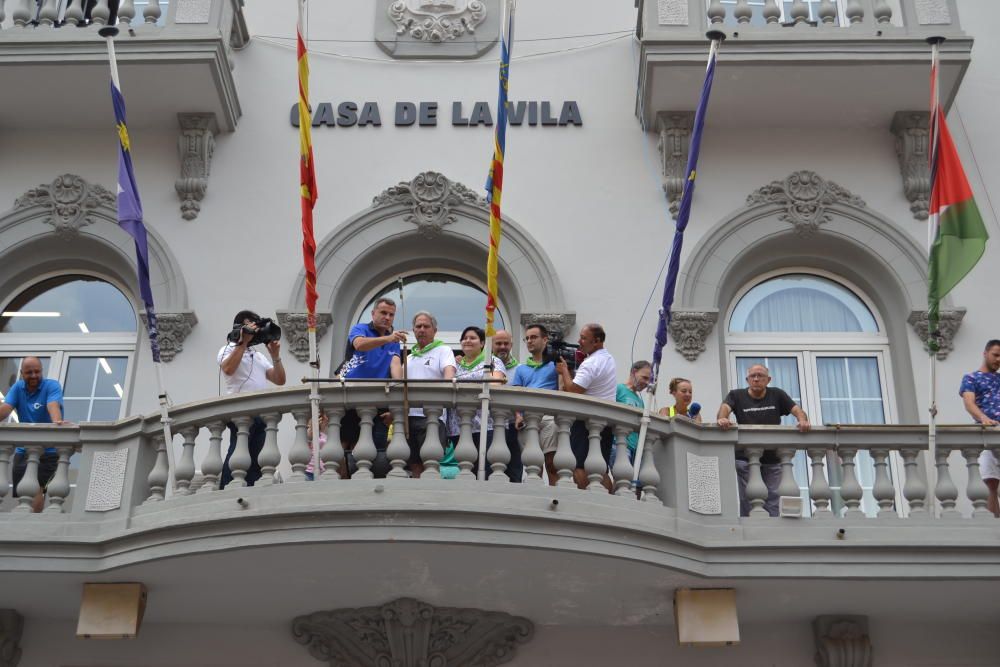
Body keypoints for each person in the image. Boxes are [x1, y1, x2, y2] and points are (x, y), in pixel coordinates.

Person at [717, 363, 810, 517]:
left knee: (773, 495)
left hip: (773, 457)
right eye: (753, 376)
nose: (756, 379)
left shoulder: (777, 394)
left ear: (768, 379)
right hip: (745, 457)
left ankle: (773, 528)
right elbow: (725, 408)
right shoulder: (736, 395)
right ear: (747, 379)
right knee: (748, 496)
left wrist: (802, 420)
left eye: (761, 376)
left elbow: (797, 410)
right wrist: (722, 418)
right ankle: (750, 528)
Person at [338, 297, 406, 478]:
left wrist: (396, 404)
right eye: (383, 313)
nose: (387, 317)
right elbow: (359, 344)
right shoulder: (361, 328)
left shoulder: (393, 340)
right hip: (351, 394)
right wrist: (389, 338)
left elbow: (395, 366)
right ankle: (344, 484)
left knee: (375, 447)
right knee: (345, 444)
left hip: (379, 398)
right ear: (373, 313)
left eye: (391, 315)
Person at [218, 310, 286, 488]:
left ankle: (250, 490)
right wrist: (242, 343)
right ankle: (226, 488)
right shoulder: (228, 349)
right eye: (250, 326)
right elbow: (228, 369)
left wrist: (275, 355)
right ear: (240, 327)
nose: (255, 331)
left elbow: (279, 380)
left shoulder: (258, 355)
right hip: (241, 412)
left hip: (262, 414)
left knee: (257, 458)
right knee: (237, 454)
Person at [555, 323, 617, 490]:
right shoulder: (608, 359)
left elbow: (574, 391)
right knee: (601, 469)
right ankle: (607, 501)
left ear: (596, 341)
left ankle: (585, 497)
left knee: (579, 466)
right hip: (605, 422)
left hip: (585, 422)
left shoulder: (591, 363)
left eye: (583, 338)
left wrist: (565, 371)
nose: (579, 341)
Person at [0, 357, 66, 512]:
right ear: (22, 373)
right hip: (23, 450)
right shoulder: (18, 388)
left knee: (37, 490)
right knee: (24, 493)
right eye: (29, 372)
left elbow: (52, 405)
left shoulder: (52, 386)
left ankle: (28, 521)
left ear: (42, 371)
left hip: (49, 451)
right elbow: (6, 408)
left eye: (37, 371)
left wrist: (57, 421)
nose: (34, 375)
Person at [442, 326, 506, 478]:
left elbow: (496, 384)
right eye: (464, 338)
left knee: (487, 470)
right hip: (459, 426)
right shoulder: (455, 365)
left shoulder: (491, 361)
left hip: (486, 424)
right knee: (466, 471)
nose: (467, 341)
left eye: (472, 338)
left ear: (483, 343)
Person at [405, 311, 456, 478]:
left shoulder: (443, 350)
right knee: (413, 462)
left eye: (426, 326)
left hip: (432, 416)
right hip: (409, 416)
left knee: (431, 461)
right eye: (418, 326)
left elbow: (449, 376)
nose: (422, 329)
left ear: (434, 330)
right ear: (413, 330)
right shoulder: (409, 357)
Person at [511, 323, 561, 485]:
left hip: (548, 417)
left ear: (545, 339)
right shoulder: (521, 369)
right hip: (527, 419)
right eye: (527, 338)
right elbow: (516, 396)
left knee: (552, 463)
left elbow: (564, 388)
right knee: (533, 467)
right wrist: (518, 416)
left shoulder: (554, 365)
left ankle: (556, 496)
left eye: (534, 337)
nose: (529, 341)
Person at [960, 339, 1000, 516]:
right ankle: (995, 527)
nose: (998, 359)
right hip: (986, 433)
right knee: (989, 482)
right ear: (985, 353)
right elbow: (969, 403)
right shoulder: (971, 378)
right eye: (996, 355)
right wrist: (984, 418)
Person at [492, 328, 523, 482]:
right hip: (489, 424)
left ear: (511, 345)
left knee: (514, 468)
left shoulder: (520, 369)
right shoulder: (485, 366)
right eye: (498, 343)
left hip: (512, 426)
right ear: (491, 345)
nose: (502, 346)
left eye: (506, 343)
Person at [611, 360, 651, 469]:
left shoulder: (640, 400)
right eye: (645, 378)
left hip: (634, 449)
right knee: (623, 478)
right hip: (619, 443)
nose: (647, 383)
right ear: (634, 372)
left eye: (649, 380)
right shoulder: (619, 389)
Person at [305, 409, 329, 481]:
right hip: (310, 470)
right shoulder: (310, 432)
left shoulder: (325, 435)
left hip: (323, 471)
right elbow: (308, 439)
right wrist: (313, 427)